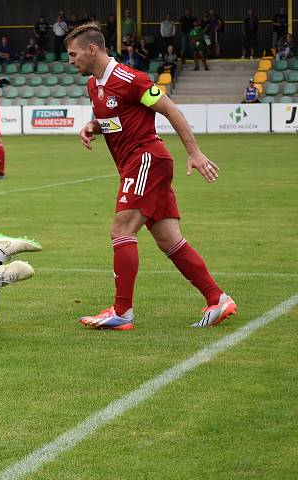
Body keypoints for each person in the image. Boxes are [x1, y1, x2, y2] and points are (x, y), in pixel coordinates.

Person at [66, 23, 235, 330]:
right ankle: (218, 298)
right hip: (141, 163)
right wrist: (93, 126)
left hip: (146, 158)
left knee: (121, 230)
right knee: (169, 239)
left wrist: (194, 152)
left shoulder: (131, 79)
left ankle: (122, 311)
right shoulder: (94, 85)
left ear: (92, 49)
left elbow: (171, 111)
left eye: (73, 54)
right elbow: (112, 119)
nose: (70, 60)